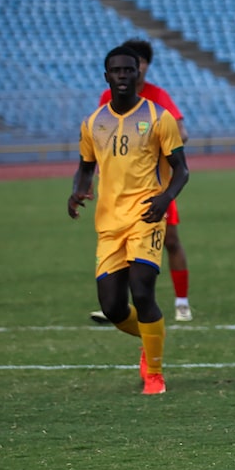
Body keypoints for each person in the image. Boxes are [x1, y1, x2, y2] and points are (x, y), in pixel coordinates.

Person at [68, 46, 189, 395]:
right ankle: (149, 337)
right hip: (109, 224)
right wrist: (77, 191)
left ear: (138, 75)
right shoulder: (93, 123)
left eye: (128, 70)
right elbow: (85, 168)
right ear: (106, 77)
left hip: (147, 216)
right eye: (116, 71)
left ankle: (154, 374)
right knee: (113, 307)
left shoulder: (158, 117)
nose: (122, 75)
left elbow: (182, 170)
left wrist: (165, 198)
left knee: (142, 291)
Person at [90, 38, 194, 323]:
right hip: (118, 192)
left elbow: (181, 133)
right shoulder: (106, 99)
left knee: (170, 241)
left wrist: (152, 142)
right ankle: (121, 305)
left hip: (153, 186)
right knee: (121, 246)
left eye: (139, 62)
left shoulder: (157, 97)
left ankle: (181, 301)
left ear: (143, 66)